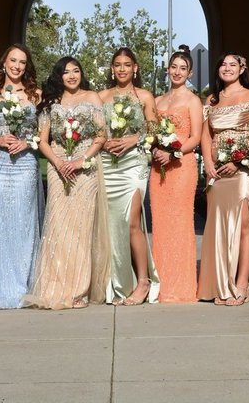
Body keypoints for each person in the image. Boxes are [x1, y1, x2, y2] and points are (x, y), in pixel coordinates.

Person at [24, 56, 111, 309]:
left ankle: (78, 290)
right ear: (58, 76)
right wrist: (59, 162)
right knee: (58, 226)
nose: (71, 75)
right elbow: (42, 140)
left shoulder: (92, 97)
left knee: (81, 229)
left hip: (85, 169)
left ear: (81, 73)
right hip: (57, 165)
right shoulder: (51, 102)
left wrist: (81, 160)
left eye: (76, 70)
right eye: (65, 72)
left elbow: (101, 135)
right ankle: (55, 285)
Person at [197, 52, 249, 306]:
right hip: (217, 173)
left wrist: (239, 161)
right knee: (219, 227)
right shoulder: (212, 100)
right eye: (223, 64)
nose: (227, 68)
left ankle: (242, 284)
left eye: (232, 64)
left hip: (244, 170)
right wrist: (209, 163)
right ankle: (221, 283)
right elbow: (206, 135)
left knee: (245, 225)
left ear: (241, 68)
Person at [99, 47, 161, 305]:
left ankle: (144, 281)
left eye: (127, 64)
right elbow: (94, 131)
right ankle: (118, 281)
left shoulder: (145, 96)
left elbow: (154, 131)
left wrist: (132, 140)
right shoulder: (101, 97)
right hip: (108, 163)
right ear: (112, 69)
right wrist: (105, 143)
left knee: (132, 221)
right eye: (117, 64)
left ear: (135, 68)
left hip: (133, 163)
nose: (122, 69)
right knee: (112, 225)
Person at [0, 44, 43, 309]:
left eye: (22, 62)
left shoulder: (36, 96)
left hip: (25, 165)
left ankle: (24, 285)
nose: (17, 66)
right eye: (13, 60)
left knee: (24, 223)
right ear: (4, 63)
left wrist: (28, 142)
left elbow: (44, 134)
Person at [151, 45, 204, 303]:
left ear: (190, 72)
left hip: (182, 167)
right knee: (160, 224)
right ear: (168, 69)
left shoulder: (193, 100)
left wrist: (172, 154)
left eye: (183, 68)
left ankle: (181, 286)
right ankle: (160, 282)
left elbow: (195, 137)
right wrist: (154, 149)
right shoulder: (158, 101)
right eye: (174, 67)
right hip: (158, 168)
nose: (177, 72)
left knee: (181, 221)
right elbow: (151, 134)